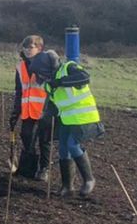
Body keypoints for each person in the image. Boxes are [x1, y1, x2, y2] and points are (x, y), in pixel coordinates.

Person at [41, 53, 104, 197]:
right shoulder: (48, 83)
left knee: (72, 146)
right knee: (63, 149)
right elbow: (52, 103)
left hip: (84, 118)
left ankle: (89, 179)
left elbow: (84, 77)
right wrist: (45, 116)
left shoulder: (69, 68)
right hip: (67, 119)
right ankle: (67, 186)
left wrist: (59, 82)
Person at [9, 35, 59, 181]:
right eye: (26, 47)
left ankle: (44, 169)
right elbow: (19, 91)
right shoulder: (20, 67)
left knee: (44, 140)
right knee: (26, 136)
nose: (28, 50)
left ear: (39, 48)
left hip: (44, 110)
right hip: (28, 110)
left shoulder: (47, 65)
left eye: (31, 47)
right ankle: (29, 167)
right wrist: (15, 112)